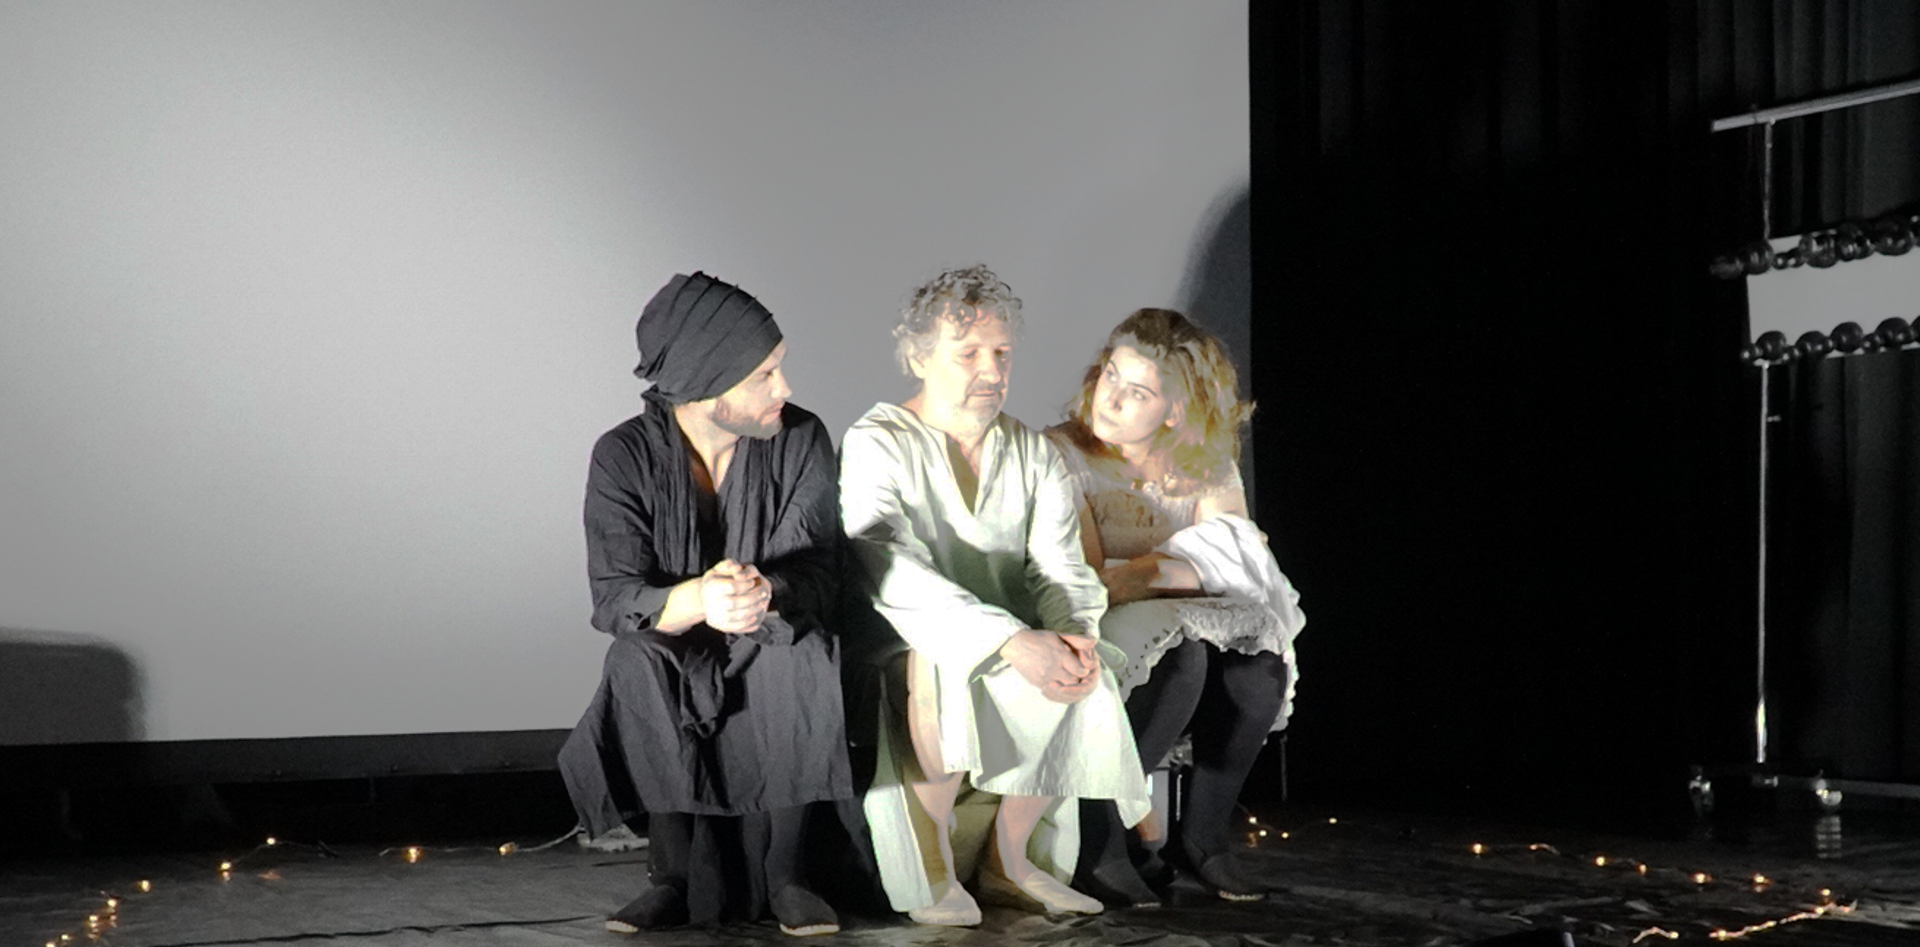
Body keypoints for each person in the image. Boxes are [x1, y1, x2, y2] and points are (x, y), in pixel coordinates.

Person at [839, 265, 1150, 926]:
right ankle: (932, 865)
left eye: (1002, 352)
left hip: (1018, 631)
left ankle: (1012, 860)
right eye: (969, 353)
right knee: (943, 664)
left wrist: (1075, 634)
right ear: (919, 357)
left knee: (1083, 668)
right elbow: (890, 565)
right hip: (910, 635)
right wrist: (1007, 639)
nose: (991, 369)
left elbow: (1061, 565)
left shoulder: (1031, 451)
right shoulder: (877, 441)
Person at [558, 272, 851, 936]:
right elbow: (615, 598)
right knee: (636, 658)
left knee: (800, 648)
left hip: (767, 628)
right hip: (680, 638)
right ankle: (673, 877)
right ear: (706, 384)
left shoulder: (801, 437)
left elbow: (820, 567)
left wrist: (765, 591)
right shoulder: (622, 456)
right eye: (764, 375)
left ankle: (788, 874)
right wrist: (699, 599)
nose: (785, 388)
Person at [1044, 308, 1304, 905]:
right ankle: (1100, 842)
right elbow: (1092, 580)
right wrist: (1180, 566)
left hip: (1172, 615)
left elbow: (1239, 561)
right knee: (1181, 659)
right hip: (1088, 618)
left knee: (1261, 658)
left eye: (1137, 392)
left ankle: (1204, 838)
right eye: (1110, 376)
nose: (1111, 398)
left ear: (1176, 410)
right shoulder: (1061, 453)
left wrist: (1149, 571)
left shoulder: (1205, 463)